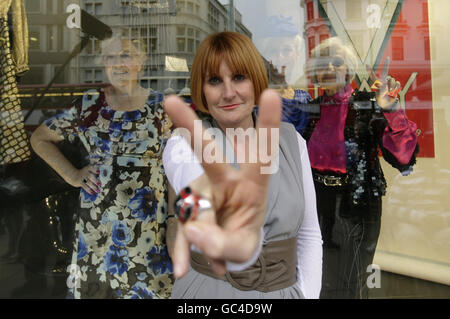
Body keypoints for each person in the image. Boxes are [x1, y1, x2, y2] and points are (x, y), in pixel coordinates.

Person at [162, 31, 323, 299]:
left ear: (255, 81)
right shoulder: (184, 143)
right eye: (214, 80)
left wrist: (307, 295)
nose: (228, 92)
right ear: (202, 89)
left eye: (239, 77)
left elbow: (309, 234)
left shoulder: (291, 141)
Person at [30, 36, 174, 299]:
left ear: (141, 62)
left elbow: (186, 164)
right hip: (97, 229)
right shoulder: (89, 104)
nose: (118, 63)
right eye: (110, 57)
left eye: (126, 55)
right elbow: (40, 138)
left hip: (151, 232)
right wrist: (73, 174)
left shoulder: (163, 107)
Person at [282, 37, 419, 298]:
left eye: (337, 62)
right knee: (316, 276)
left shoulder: (366, 104)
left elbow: (404, 156)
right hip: (316, 205)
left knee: (351, 282)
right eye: (323, 63)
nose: (330, 69)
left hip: (356, 206)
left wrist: (391, 110)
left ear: (348, 69)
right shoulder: (310, 109)